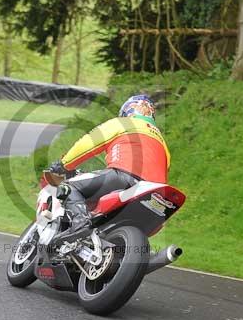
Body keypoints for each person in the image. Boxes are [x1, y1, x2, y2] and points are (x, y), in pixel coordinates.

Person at [49, 94, 170, 236]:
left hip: (124, 177)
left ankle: (80, 225)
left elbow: (89, 143)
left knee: (68, 187)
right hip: (156, 196)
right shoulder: (162, 142)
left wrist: (65, 164)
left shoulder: (124, 123)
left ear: (127, 111)